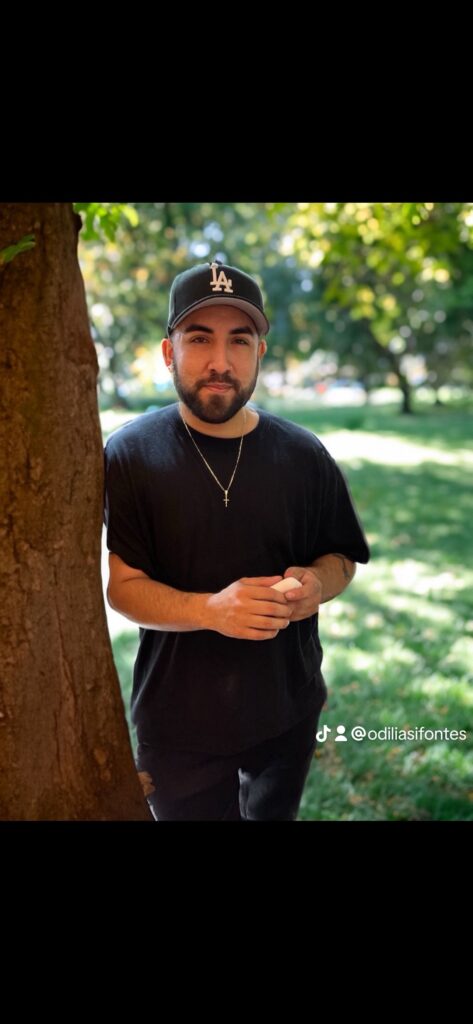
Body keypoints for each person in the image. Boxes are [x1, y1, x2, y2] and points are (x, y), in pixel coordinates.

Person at [103, 260, 370, 821]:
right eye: (200, 338)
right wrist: (210, 611)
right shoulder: (130, 456)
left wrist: (317, 583)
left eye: (240, 341)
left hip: (287, 712)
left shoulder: (304, 454)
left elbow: (342, 557)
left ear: (260, 353)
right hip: (178, 724)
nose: (221, 363)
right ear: (169, 352)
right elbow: (122, 589)